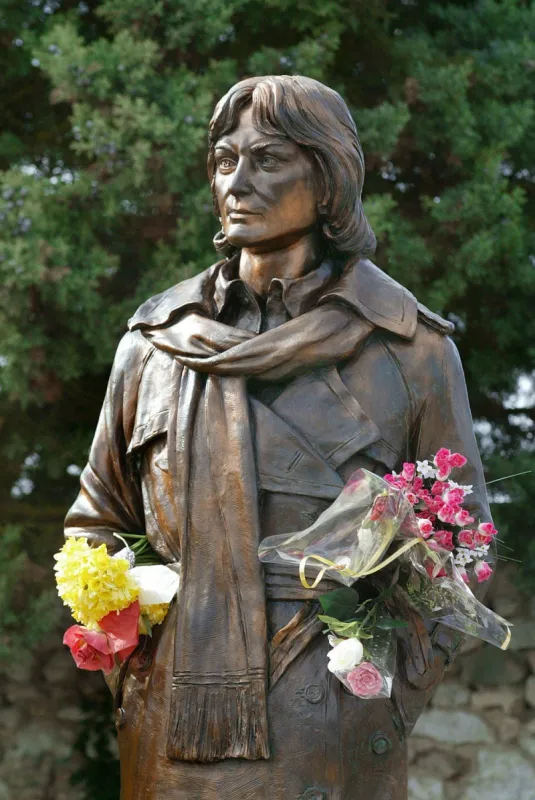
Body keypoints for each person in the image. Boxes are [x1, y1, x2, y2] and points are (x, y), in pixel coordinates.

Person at [65, 75, 491, 800]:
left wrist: (388, 690)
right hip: (172, 717)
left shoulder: (407, 349)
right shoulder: (155, 346)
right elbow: (98, 520)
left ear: (326, 180)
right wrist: (132, 667)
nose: (237, 181)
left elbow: (461, 540)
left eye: (267, 161)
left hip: (333, 716)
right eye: (224, 160)